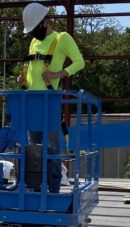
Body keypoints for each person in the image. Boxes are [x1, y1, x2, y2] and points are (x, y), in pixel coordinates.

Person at [18, 2, 85, 193]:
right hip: (30, 101)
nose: (33, 33)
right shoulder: (34, 42)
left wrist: (58, 74)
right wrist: (23, 80)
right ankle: (35, 186)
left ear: (45, 22)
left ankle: (53, 188)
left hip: (49, 101)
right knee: (34, 147)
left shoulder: (62, 38)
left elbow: (80, 62)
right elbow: (33, 70)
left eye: (35, 28)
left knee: (53, 147)